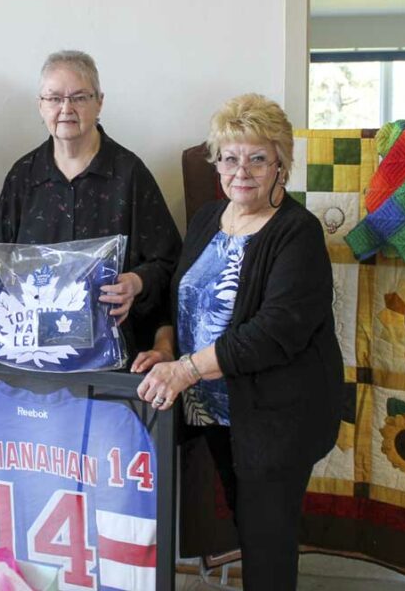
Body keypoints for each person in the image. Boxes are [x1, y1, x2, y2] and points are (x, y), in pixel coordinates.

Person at [135, 94, 343, 589]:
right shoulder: (209, 218)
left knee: (267, 537)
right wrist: (166, 348)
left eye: (257, 158)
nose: (241, 170)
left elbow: (275, 332)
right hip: (217, 409)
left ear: (280, 166)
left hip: (277, 414)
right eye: (230, 157)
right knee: (247, 520)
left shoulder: (298, 232)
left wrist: (185, 370)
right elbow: (178, 295)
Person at [0, 50, 180, 361]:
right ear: (41, 105)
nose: (66, 108)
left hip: (114, 351)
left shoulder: (129, 174)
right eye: (54, 98)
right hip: (32, 351)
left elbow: (171, 263)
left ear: (100, 102)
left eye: (79, 97)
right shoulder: (23, 175)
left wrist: (137, 282)